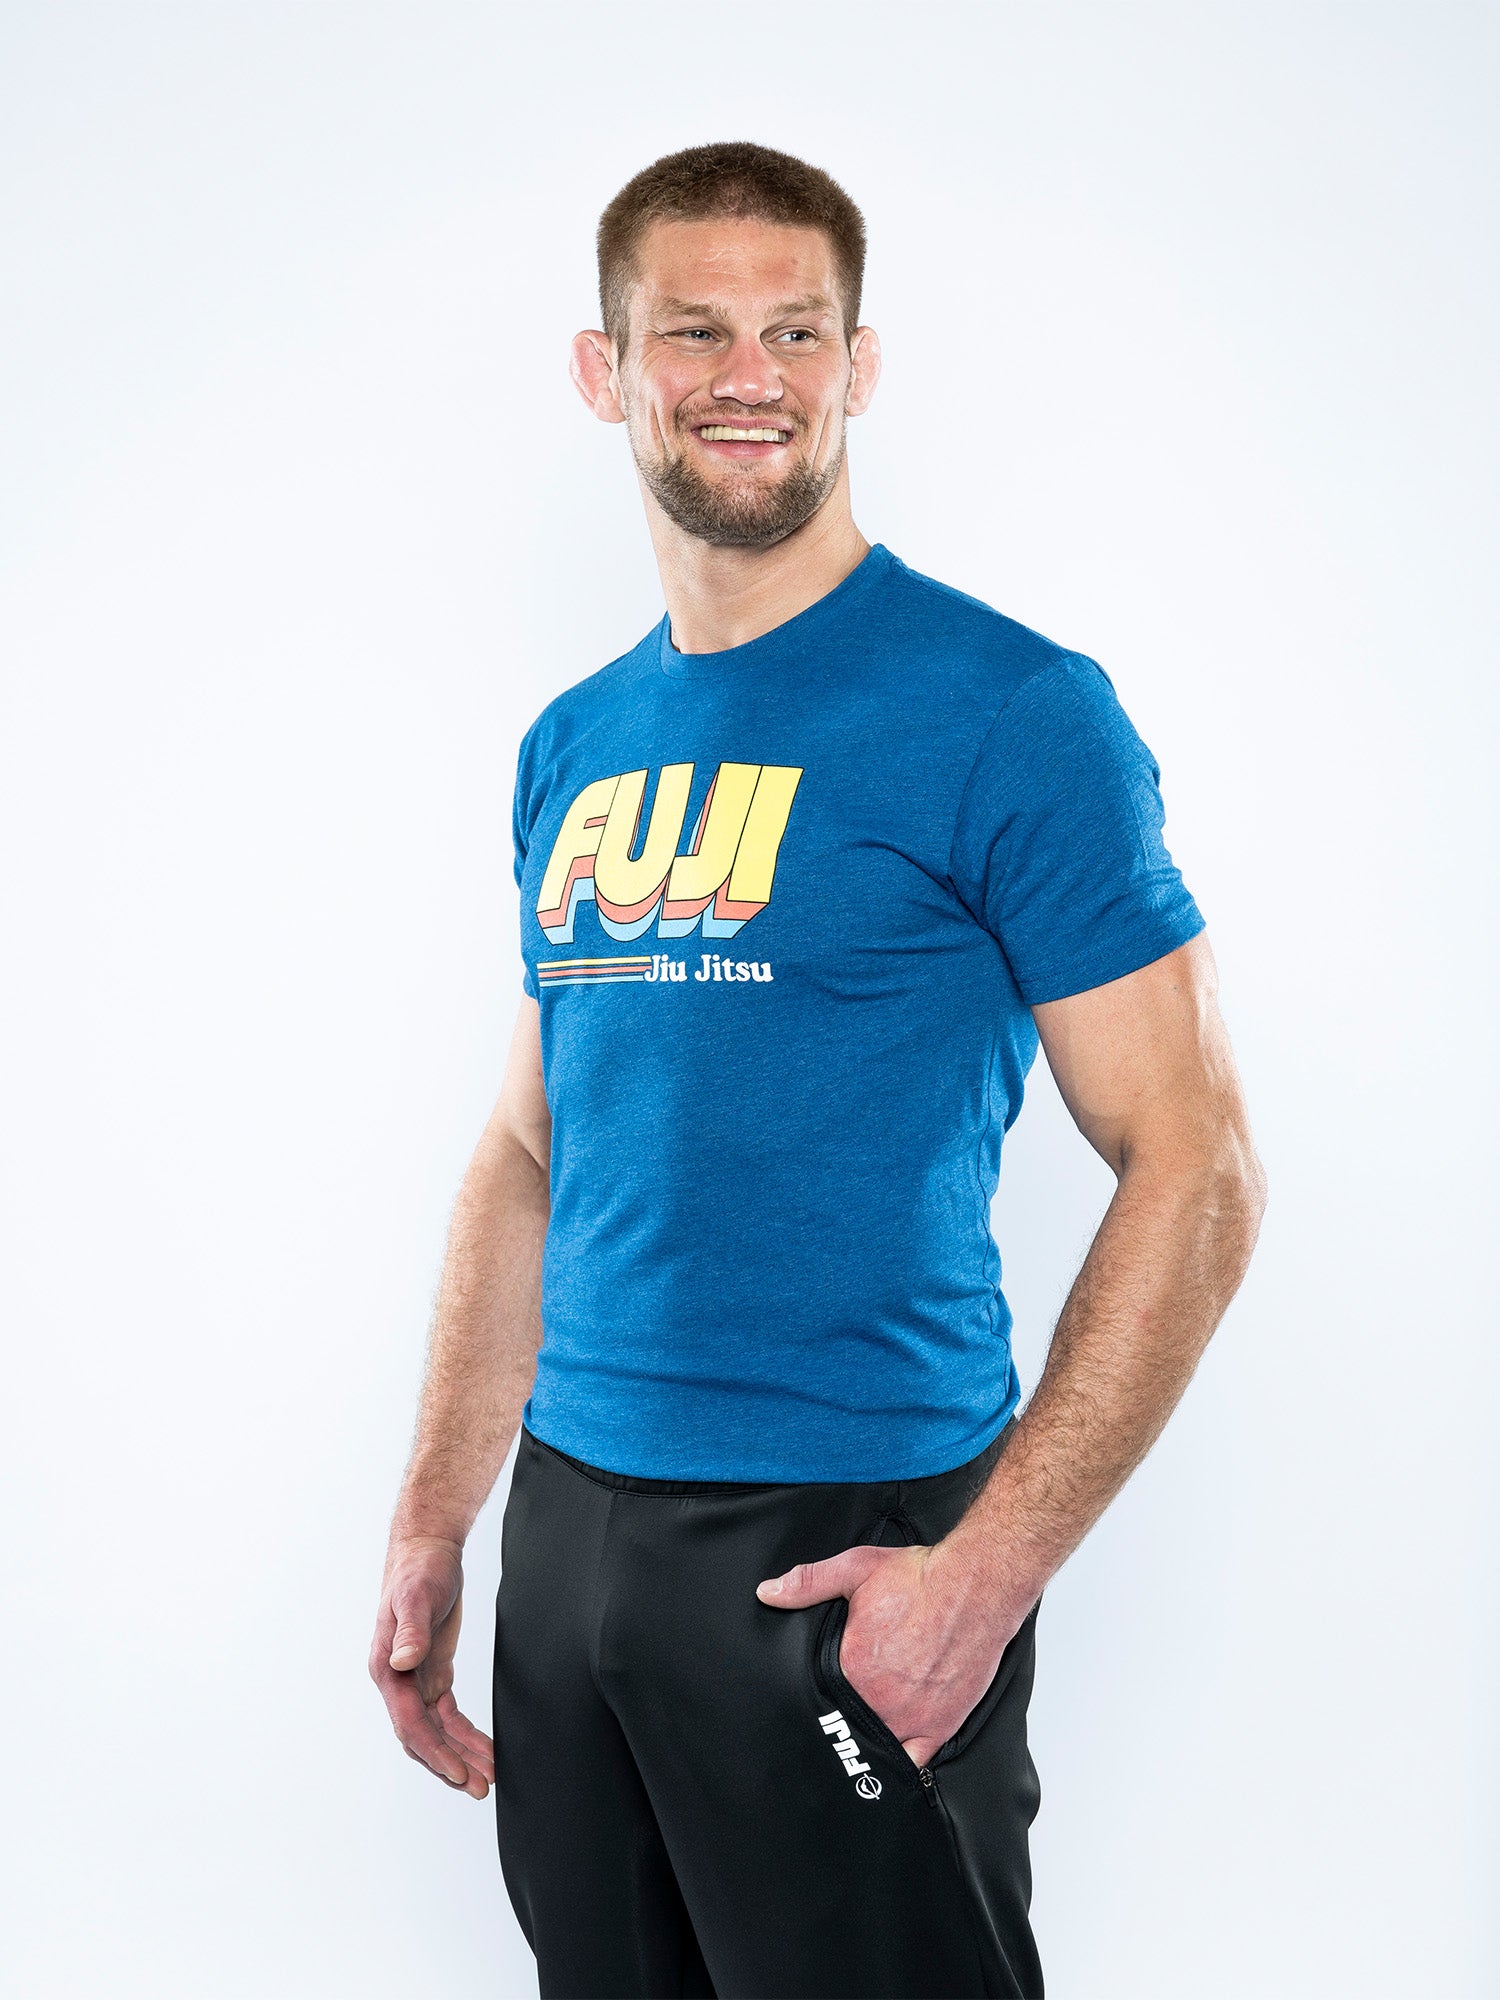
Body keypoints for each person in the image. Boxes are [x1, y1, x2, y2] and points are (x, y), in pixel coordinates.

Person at [369, 141, 1267, 2000]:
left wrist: (989, 1572)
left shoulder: (1013, 713)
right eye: (690, 329)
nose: (747, 371)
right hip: (573, 1524)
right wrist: (437, 1515)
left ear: (860, 365)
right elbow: (534, 1153)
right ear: (603, 370)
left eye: (795, 327)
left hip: (845, 1549)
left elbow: (1197, 1161)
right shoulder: (577, 742)